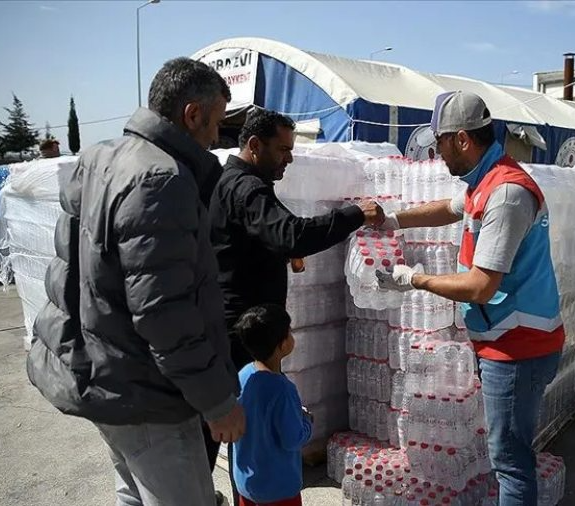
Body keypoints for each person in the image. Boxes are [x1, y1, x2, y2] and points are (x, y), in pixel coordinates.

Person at [26, 57, 244, 506]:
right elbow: (165, 314)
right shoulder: (162, 179)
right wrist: (217, 402)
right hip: (147, 394)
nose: (216, 137)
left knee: (134, 494)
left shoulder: (102, 157)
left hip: (107, 377)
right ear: (192, 114)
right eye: (216, 123)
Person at [376, 91, 565, 505]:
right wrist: (392, 220)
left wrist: (415, 279)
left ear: (461, 139)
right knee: (508, 454)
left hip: (518, 348)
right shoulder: (485, 180)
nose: (436, 151)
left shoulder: (507, 193)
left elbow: (482, 286)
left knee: (510, 462)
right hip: (501, 340)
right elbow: (448, 207)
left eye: (439, 142)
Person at [210, 106, 384, 369]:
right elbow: (292, 234)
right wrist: (355, 215)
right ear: (255, 145)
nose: (289, 159)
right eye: (283, 150)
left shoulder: (235, 182)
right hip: (244, 333)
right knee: (251, 404)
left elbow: (272, 234)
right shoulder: (247, 189)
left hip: (243, 326)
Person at [231, 304, 312, 506]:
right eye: (289, 332)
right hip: (278, 490)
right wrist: (307, 422)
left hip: (246, 484)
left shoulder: (242, 376)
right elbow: (292, 439)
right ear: (281, 345)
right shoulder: (283, 390)